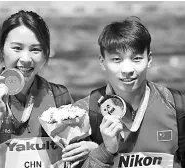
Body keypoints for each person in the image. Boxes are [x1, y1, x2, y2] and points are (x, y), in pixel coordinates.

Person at [0, 10, 96, 168]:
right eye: (17, 48)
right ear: (2, 50)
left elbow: (78, 157)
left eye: (35, 49)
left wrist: (92, 150)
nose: (26, 59)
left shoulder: (59, 96)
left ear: (45, 54)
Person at [75, 17, 185, 168]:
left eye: (137, 58)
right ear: (102, 61)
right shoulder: (83, 114)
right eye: (116, 59)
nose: (127, 70)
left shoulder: (177, 106)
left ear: (149, 59)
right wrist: (105, 151)